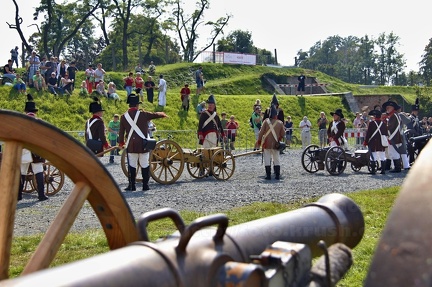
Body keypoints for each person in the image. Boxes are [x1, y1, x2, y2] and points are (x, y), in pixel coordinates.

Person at [118, 94, 168, 191]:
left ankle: (132, 186)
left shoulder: (124, 117)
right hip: (143, 144)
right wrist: (162, 114)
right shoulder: (143, 114)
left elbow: (121, 132)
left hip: (131, 145)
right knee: (145, 164)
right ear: (137, 105)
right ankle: (145, 185)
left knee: (132, 165)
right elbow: (154, 115)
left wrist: (121, 143)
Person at [18, 94, 49, 201]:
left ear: (26, 112)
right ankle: (41, 195)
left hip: (24, 150)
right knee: (38, 171)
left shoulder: (20, 122)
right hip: (35, 151)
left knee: (22, 172)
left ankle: (18, 195)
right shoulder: (39, 121)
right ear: (35, 112)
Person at [256, 105, 285, 180]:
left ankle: (268, 175)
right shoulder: (280, 123)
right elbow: (283, 134)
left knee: (267, 158)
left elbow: (260, 133)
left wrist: (259, 142)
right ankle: (277, 175)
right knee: (276, 159)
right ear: (276, 115)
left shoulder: (266, 122)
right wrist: (278, 138)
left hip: (267, 143)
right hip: (276, 144)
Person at [363, 110, 388, 175]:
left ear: (375, 116)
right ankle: (383, 171)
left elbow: (368, 133)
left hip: (373, 142)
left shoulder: (371, 123)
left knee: (373, 156)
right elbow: (385, 133)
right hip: (381, 142)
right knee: (382, 156)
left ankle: (373, 171)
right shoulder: (384, 124)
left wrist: (366, 141)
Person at [382, 100, 403, 173]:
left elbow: (391, 127)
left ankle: (397, 168)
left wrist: (384, 126)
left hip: (394, 137)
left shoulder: (394, 115)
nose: (387, 109)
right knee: (392, 152)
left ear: (393, 108)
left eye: (389, 107)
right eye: (387, 107)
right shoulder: (392, 115)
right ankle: (396, 167)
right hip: (392, 137)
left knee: (394, 152)